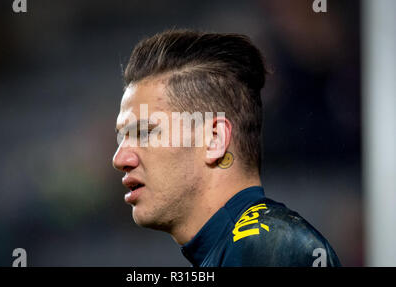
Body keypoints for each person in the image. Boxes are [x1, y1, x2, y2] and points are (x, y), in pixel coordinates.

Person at [112, 29, 341, 267]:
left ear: (214, 139)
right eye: (122, 137)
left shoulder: (269, 247)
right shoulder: (245, 248)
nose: (119, 159)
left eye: (145, 133)